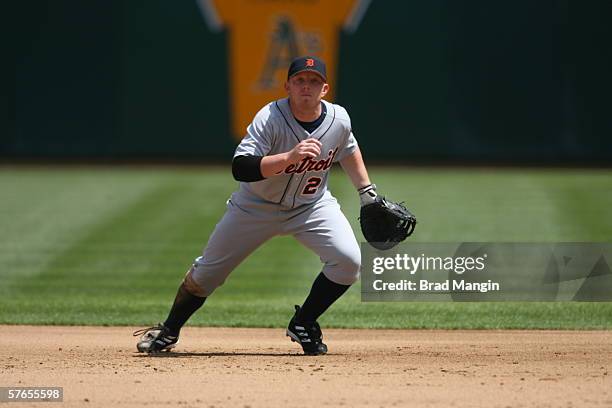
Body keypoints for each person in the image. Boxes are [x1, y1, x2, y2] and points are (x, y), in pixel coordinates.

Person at [134, 56, 380, 355]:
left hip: (311, 207)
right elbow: (241, 167)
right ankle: (169, 330)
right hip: (255, 206)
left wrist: (366, 192)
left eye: (313, 81)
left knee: (349, 262)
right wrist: (289, 157)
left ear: (325, 89)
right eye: (300, 80)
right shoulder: (270, 117)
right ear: (287, 85)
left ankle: (304, 321)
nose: (306, 86)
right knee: (205, 276)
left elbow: (349, 149)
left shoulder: (338, 119)